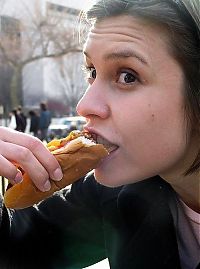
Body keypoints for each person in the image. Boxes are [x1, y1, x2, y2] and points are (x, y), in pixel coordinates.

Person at [0, 0, 199, 268]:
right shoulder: (118, 191)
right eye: (92, 72)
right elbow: (17, 251)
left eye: (128, 76)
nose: (84, 106)